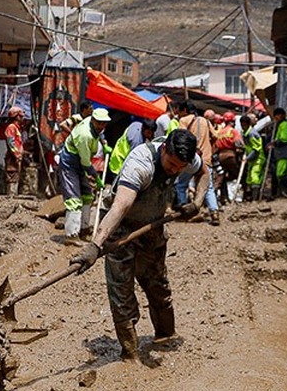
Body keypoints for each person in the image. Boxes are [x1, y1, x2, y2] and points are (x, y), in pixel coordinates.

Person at [69, 128, 210, 361]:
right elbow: (121, 206)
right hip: (120, 225)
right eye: (171, 164)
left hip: (152, 224)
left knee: (157, 283)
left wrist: (196, 202)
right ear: (164, 148)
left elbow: (205, 171)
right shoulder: (140, 164)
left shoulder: (187, 158)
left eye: (179, 168)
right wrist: (95, 245)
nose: (174, 170)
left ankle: (165, 335)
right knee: (121, 291)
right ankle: (130, 352)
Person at [59, 107, 110, 241]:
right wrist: (96, 177)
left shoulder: (94, 125)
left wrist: (103, 142)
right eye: (99, 123)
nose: (102, 126)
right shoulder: (84, 135)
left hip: (81, 162)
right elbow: (86, 163)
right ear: (93, 120)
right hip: (70, 163)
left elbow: (100, 134)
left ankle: (84, 228)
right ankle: (72, 235)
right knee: (74, 198)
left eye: (104, 123)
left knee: (87, 195)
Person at [177, 102, 220, 224]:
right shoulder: (205, 121)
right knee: (208, 187)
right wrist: (209, 147)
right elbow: (216, 135)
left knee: (181, 185)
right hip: (206, 158)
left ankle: (184, 211)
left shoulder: (184, 120)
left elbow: (180, 138)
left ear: (184, 110)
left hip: (190, 159)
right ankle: (214, 213)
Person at [239, 114, 266, 201]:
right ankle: (251, 197)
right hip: (251, 159)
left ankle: (255, 198)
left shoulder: (252, 134)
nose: (243, 127)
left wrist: (247, 158)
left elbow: (256, 149)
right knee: (249, 178)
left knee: (255, 177)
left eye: (244, 125)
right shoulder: (245, 133)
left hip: (258, 158)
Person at [268, 106, 287, 197]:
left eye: (277, 115)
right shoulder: (279, 126)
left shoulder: (284, 125)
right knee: (281, 174)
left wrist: (274, 143)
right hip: (280, 154)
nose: (276, 118)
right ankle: (286, 191)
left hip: (284, 153)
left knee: (281, 173)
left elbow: (284, 139)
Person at [3, 106, 27, 196]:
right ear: (16, 116)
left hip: (16, 158)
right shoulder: (11, 127)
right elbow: (11, 144)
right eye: (20, 116)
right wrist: (16, 155)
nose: (22, 118)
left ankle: (13, 195)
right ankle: (11, 197)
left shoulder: (16, 128)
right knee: (12, 176)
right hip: (12, 158)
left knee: (16, 177)